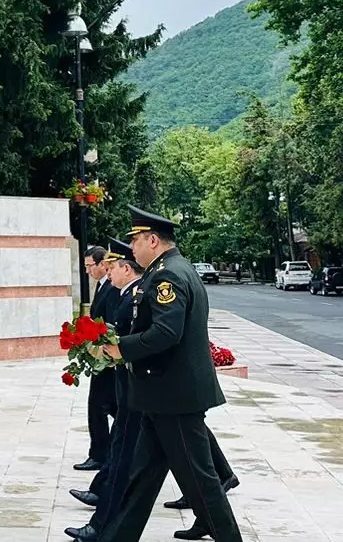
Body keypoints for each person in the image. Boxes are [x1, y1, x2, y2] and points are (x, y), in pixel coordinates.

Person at [97, 206, 242, 542]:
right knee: (142, 478)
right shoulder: (171, 269)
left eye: (135, 240)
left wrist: (121, 348)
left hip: (173, 397)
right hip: (162, 394)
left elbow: (166, 333)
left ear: (152, 239)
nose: (131, 249)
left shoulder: (168, 276)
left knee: (201, 480)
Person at [66, 239, 144, 541]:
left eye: (113, 268)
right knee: (128, 458)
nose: (108, 273)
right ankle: (103, 517)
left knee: (128, 455)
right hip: (138, 391)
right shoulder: (128, 292)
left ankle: (102, 523)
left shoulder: (138, 294)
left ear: (125, 267)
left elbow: (145, 337)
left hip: (145, 391)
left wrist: (113, 352)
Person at [77, 245, 116, 471]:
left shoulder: (111, 287)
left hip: (108, 359)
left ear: (103, 264)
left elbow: (109, 323)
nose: (88, 271)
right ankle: (103, 452)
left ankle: (100, 454)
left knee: (97, 405)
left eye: (90, 266)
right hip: (103, 357)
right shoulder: (102, 286)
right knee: (110, 406)